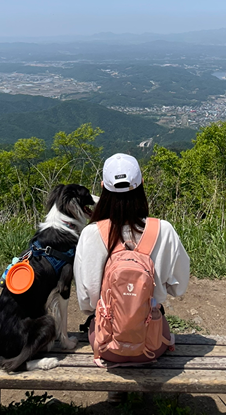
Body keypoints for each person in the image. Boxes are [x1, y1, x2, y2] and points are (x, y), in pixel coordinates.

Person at [74, 153, 190, 378]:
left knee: (95, 323)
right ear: (142, 185)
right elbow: (179, 287)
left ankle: (116, 393)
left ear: (102, 188)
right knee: (157, 329)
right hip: (152, 343)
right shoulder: (164, 230)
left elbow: (86, 302)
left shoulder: (90, 234)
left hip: (107, 344)